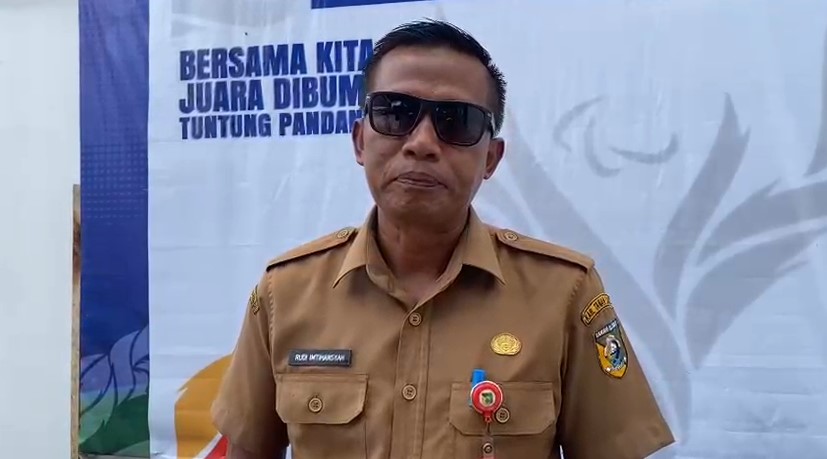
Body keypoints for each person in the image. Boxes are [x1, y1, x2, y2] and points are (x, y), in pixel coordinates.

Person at [211, 18, 675, 459]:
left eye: (456, 121)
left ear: (491, 158)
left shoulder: (564, 294)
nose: (422, 143)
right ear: (359, 141)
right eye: (396, 113)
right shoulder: (285, 294)